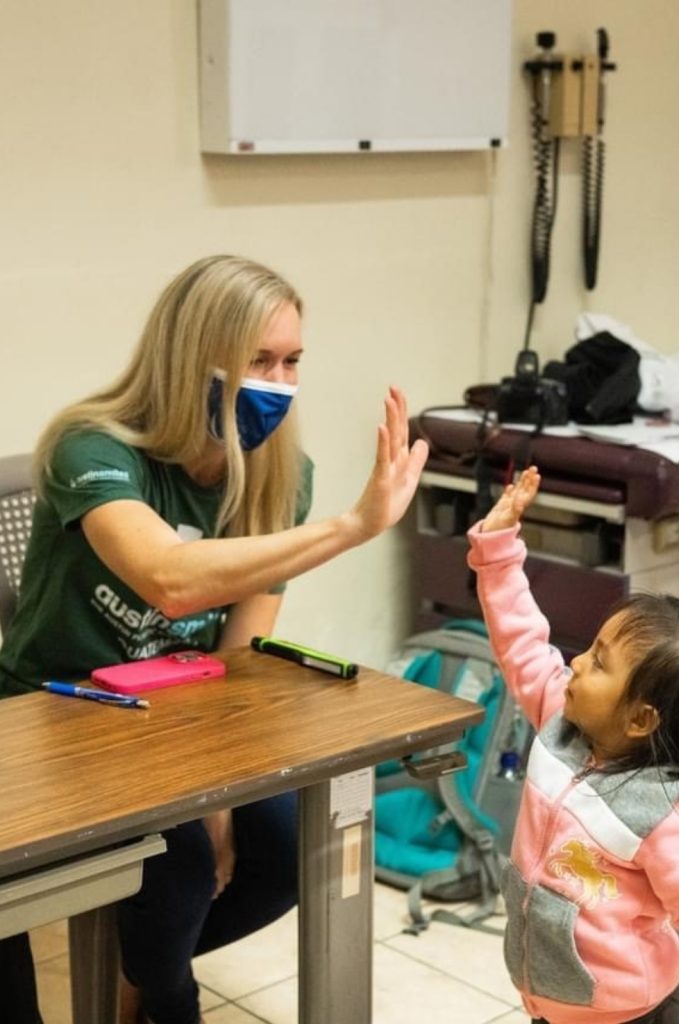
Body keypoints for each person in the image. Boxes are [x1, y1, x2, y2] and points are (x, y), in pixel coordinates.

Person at [0, 254, 429, 1024]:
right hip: (56, 717)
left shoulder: (279, 475)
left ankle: (143, 976)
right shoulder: (90, 447)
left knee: (291, 849)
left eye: (293, 360)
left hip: (176, 720)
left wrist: (221, 796)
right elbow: (169, 576)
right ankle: (160, 990)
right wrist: (351, 528)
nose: (279, 381)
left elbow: (237, 658)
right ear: (190, 358)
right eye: (256, 360)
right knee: (182, 869)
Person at [466, 465, 679, 1024]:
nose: (575, 663)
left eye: (598, 663)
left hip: (629, 1015)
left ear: (640, 718)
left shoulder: (666, 816)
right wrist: (498, 547)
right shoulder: (560, 717)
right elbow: (523, 641)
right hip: (549, 1000)